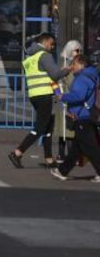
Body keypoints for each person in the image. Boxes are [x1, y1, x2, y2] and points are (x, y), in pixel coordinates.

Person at [8, 33, 62, 169]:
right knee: (40, 128)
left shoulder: (30, 57)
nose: (52, 46)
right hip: (44, 95)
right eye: (51, 43)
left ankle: (49, 159)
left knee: (48, 127)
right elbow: (55, 74)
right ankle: (17, 152)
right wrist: (67, 70)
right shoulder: (44, 55)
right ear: (45, 42)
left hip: (35, 95)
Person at [51, 51, 100, 182]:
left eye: (74, 63)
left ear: (82, 64)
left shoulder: (82, 78)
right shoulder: (93, 75)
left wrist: (63, 96)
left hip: (83, 116)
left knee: (91, 148)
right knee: (77, 148)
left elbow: (79, 95)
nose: (72, 66)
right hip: (89, 114)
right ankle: (62, 171)